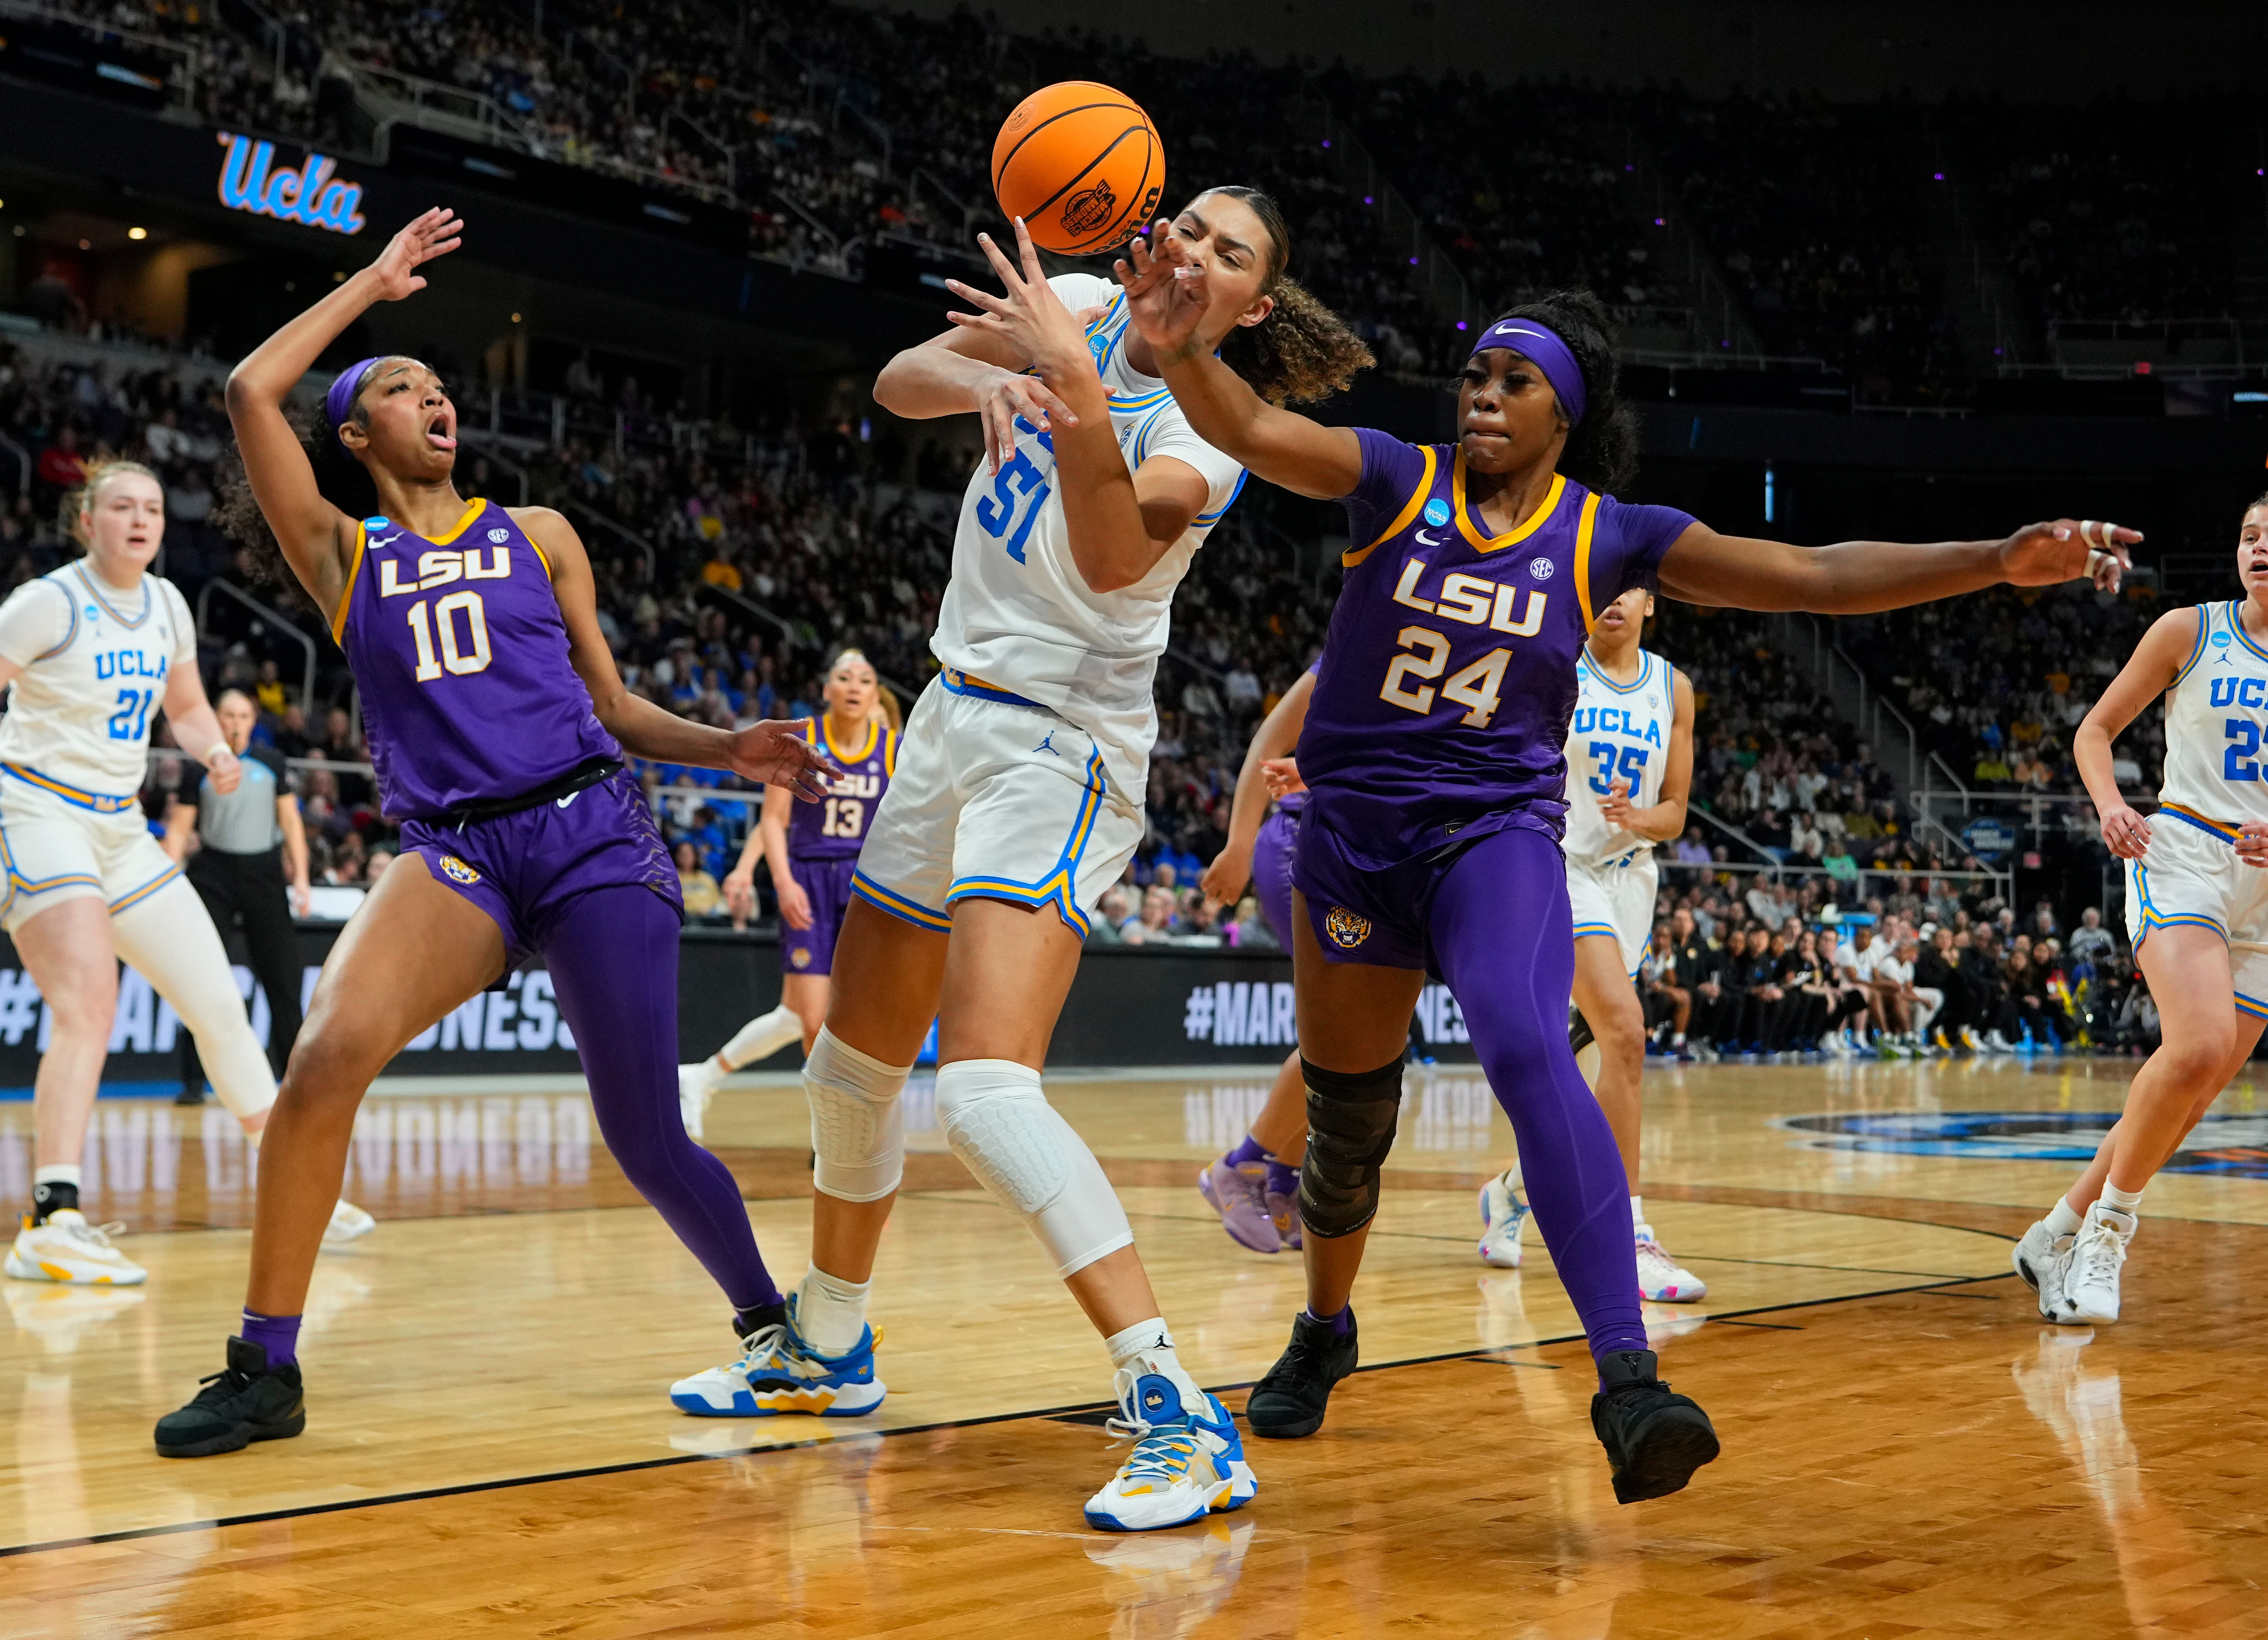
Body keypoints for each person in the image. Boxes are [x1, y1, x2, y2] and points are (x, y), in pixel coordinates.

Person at [1121, 212, 2133, 1501]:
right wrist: (1175, 346)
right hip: (1353, 844)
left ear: (1567, 414)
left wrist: (1993, 561)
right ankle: (1325, 1325)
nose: (1483, 397)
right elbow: (1253, 431)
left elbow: (1813, 576)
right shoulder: (1390, 475)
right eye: (1476, 375)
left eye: (1515, 382)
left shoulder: (1610, 533)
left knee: (1531, 1045)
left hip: (1488, 836)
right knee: (1343, 1128)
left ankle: (1627, 1380)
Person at [683, 192, 1368, 1536]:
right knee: (848, 1066)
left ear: (1249, 308)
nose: (1194, 250)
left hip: (1060, 749)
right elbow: (896, 377)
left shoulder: (1205, 429)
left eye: (1232, 254)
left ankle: (1176, 1406)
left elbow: (1118, 559)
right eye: (1190, 225)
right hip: (947, 715)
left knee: (986, 1089)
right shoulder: (1084, 301)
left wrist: (1067, 399)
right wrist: (994, 379)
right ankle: (829, 1344)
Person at [151, 208, 833, 1458]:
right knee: (319, 1066)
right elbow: (254, 385)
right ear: (358, 436)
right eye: (405, 389)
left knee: (639, 1129)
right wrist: (373, 286)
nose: (436, 400)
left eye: (442, 387)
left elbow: (615, 707)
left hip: (592, 838)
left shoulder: (541, 536)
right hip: (458, 853)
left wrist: (724, 748)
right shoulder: (342, 553)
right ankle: (266, 1365)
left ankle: (776, 1331)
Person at [0, 461, 369, 1289]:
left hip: (119, 830)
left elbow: (188, 707)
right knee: (88, 1006)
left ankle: (292, 1181)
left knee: (218, 1004)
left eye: (153, 508)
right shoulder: (47, 603)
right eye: (121, 506)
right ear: (85, 521)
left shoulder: (167, 604)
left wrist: (215, 750)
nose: (139, 519)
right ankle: (51, 1220)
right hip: (32, 812)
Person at [2020, 485, 2268, 1326]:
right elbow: (2093, 733)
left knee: (2194, 1084)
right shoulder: (2189, 628)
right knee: (2200, 1042)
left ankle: (2054, 1230)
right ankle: (2108, 1233)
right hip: (2183, 852)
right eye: (2249, 535)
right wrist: (2110, 805)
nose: (2259, 548)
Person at [1476, 587, 1705, 1303]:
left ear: (1651, 606)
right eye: (1603, 585)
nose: (1615, 599)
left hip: (1630, 879)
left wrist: (1640, 818)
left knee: (1592, 1072)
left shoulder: (1674, 687)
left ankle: (1510, 1195)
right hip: (1556, 865)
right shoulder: (1553, 662)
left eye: (1631, 588)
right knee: (1626, 1036)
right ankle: (1628, 1236)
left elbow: (1675, 813)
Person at [676, 650, 893, 1140]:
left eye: (865, 678)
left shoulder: (893, 748)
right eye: (844, 676)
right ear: (827, 689)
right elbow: (774, 819)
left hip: (862, 883)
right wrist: (772, 876)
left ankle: (703, 1075)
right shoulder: (804, 739)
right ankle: (830, 1134)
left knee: (801, 1016)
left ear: (876, 695)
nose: (855, 686)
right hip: (810, 878)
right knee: (813, 1018)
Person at [1196, 665, 1315, 1254]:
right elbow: (1268, 743)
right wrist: (1239, 844)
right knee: (1348, 1035)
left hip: (1369, 853)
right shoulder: (1367, 631)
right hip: (1304, 842)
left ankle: (1281, 1180)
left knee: (1366, 1042)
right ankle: (1242, 1167)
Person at [166, 687, 310, 1104]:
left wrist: (300, 877)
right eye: (228, 715)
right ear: (217, 717)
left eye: (243, 716)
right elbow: (178, 830)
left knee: (283, 979)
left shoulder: (271, 762)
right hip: (214, 874)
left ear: (254, 721)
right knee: (199, 977)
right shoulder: (200, 767)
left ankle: (294, 1082)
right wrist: (167, 881)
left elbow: (291, 823)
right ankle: (193, 1083)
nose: (234, 723)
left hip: (265, 875)